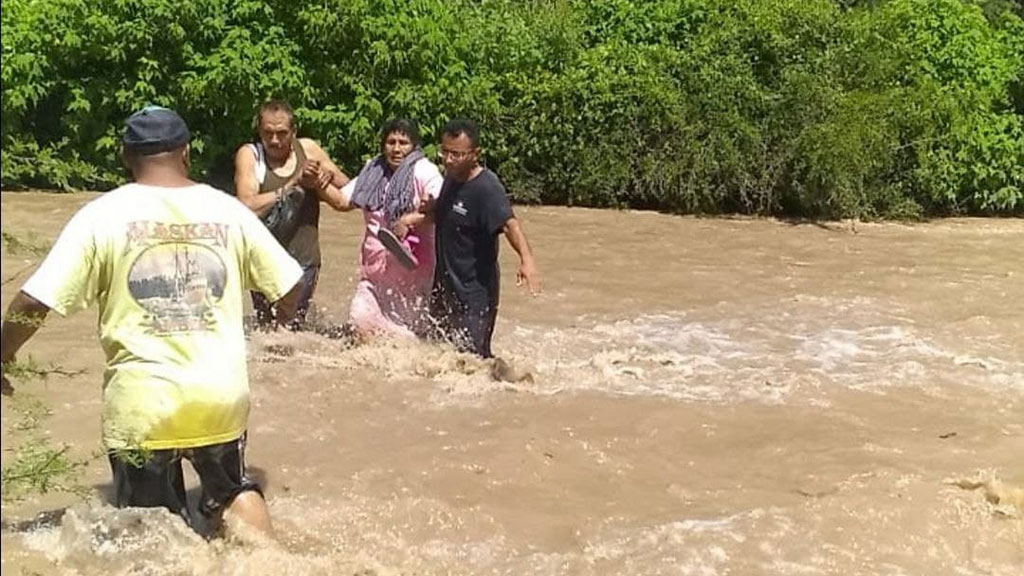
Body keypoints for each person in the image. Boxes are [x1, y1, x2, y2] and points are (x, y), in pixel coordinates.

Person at [0, 106, 304, 538]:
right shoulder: (229, 210)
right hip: (219, 394)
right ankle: (272, 559)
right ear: (186, 153)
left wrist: (3, 354)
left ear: (126, 156)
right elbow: (290, 286)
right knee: (231, 492)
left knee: (152, 534)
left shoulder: (101, 215)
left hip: (144, 403)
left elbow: (33, 302)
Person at [318, 119, 443, 340]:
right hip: (375, 272)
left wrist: (412, 218)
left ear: (414, 146)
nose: (396, 149)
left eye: (403, 142)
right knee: (359, 325)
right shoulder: (373, 171)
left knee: (406, 341)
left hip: (413, 274)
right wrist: (315, 183)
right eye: (390, 142)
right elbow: (343, 202)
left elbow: (444, 208)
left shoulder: (425, 171)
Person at [234, 99, 350, 329]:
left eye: (281, 133)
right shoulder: (250, 156)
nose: (274, 140)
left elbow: (348, 191)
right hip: (263, 259)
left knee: (291, 329)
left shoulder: (308, 149)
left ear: (293, 131)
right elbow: (245, 207)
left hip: (304, 258)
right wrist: (292, 185)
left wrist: (321, 179)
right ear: (259, 131)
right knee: (268, 329)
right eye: (268, 133)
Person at [429, 118, 540, 358]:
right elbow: (448, 215)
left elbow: (510, 224)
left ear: (475, 154)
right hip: (445, 286)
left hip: (475, 293)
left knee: (472, 360)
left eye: (457, 154)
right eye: (445, 152)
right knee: (437, 353)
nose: (448, 160)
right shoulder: (450, 179)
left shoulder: (487, 188)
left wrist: (526, 259)